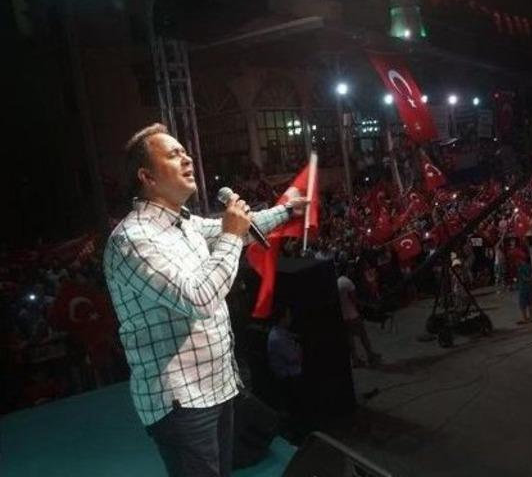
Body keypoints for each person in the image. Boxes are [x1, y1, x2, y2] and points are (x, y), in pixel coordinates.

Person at [104, 123, 308, 477]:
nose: (186, 158)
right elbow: (198, 298)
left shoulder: (185, 225)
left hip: (217, 387)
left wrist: (288, 210)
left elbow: (244, 227)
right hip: (181, 401)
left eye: (185, 151)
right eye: (173, 154)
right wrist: (231, 235)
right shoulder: (133, 239)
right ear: (146, 177)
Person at [337, 265, 381, 367]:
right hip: (352, 314)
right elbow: (354, 299)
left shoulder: (337, 282)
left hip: (343, 315)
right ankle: (370, 355)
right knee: (363, 335)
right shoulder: (348, 282)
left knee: (350, 339)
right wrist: (366, 306)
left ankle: (355, 359)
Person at [515, 257, 532, 324]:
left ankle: (525, 318)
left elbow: (523, 278)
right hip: (530, 287)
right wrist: (531, 280)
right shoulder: (530, 267)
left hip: (523, 287)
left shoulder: (520, 268)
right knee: (530, 302)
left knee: (522, 304)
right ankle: (531, 317)